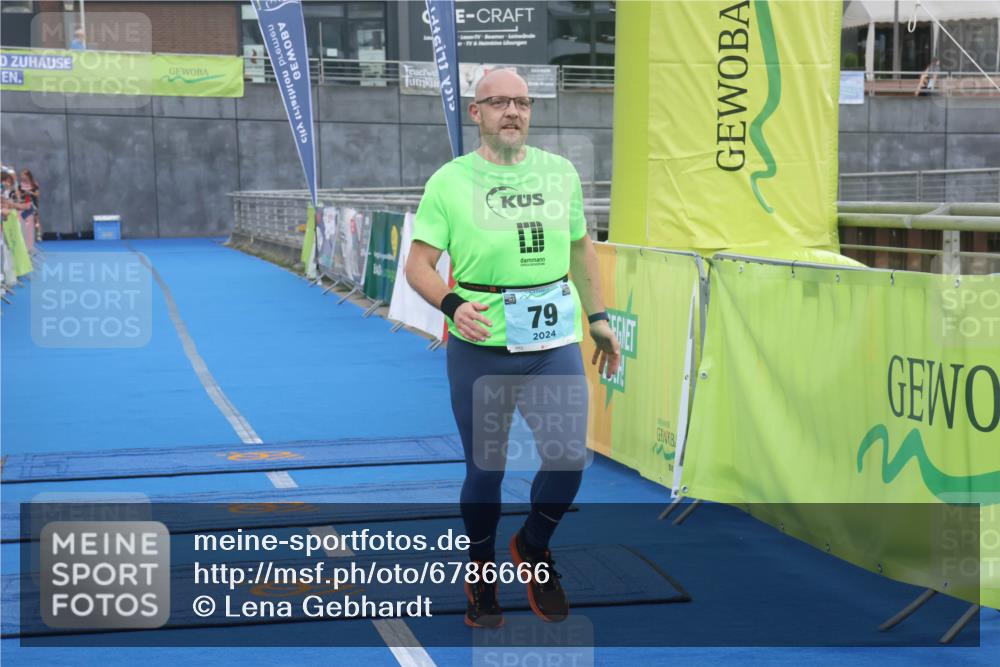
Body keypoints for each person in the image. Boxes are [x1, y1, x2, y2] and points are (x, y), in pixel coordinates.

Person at [405, 69, 621, 628]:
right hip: (481, 344)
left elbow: (581, 247)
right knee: (487, 470)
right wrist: (453, 305)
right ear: (475, 113)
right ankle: (481, 572)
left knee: (568, 458)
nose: (513, 111)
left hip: (551, 340)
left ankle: (532, 544)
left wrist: (598, 318)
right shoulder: (449, 182)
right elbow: (418, 266)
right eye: (499, 102)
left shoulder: (560, 173)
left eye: (522, 102)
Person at [19, 169, 40, 243]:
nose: (22, 177)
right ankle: (26, 235)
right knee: (25, 218)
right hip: (25, 204)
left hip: (33, 203)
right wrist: (25, 194)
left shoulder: (34, 184)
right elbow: (19, 195)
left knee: (35, 218)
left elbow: (37, 194)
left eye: (23, 175)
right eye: (21, 175)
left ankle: (38, 235)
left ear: (27, 175)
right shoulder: (21, 185)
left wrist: (31, 192)